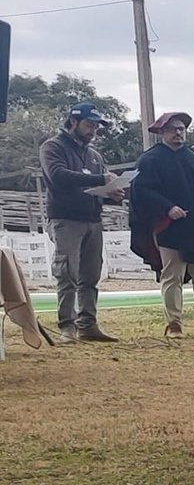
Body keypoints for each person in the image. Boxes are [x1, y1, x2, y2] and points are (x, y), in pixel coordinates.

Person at [130, 112, 194, 339]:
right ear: (162, 132)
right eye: (173, 129)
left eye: (181, 128)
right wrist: (166, 207)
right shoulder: (149, 160)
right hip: (169, 229)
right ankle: (173, 324)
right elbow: (141, 192)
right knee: (172, 275)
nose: (178, 133)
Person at [40, 102, 120, 343]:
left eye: (96, 126)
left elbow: (96, 186)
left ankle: (88, 324)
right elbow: (58, 176)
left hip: (92, 219)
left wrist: (111, 194)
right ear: (72, 122)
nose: (93, 130)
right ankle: (67, 325)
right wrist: (100, 179)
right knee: (67, 273)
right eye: (88, 124)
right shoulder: (52, 147)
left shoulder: (94, 155)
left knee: (90, 274)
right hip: (66, 219)